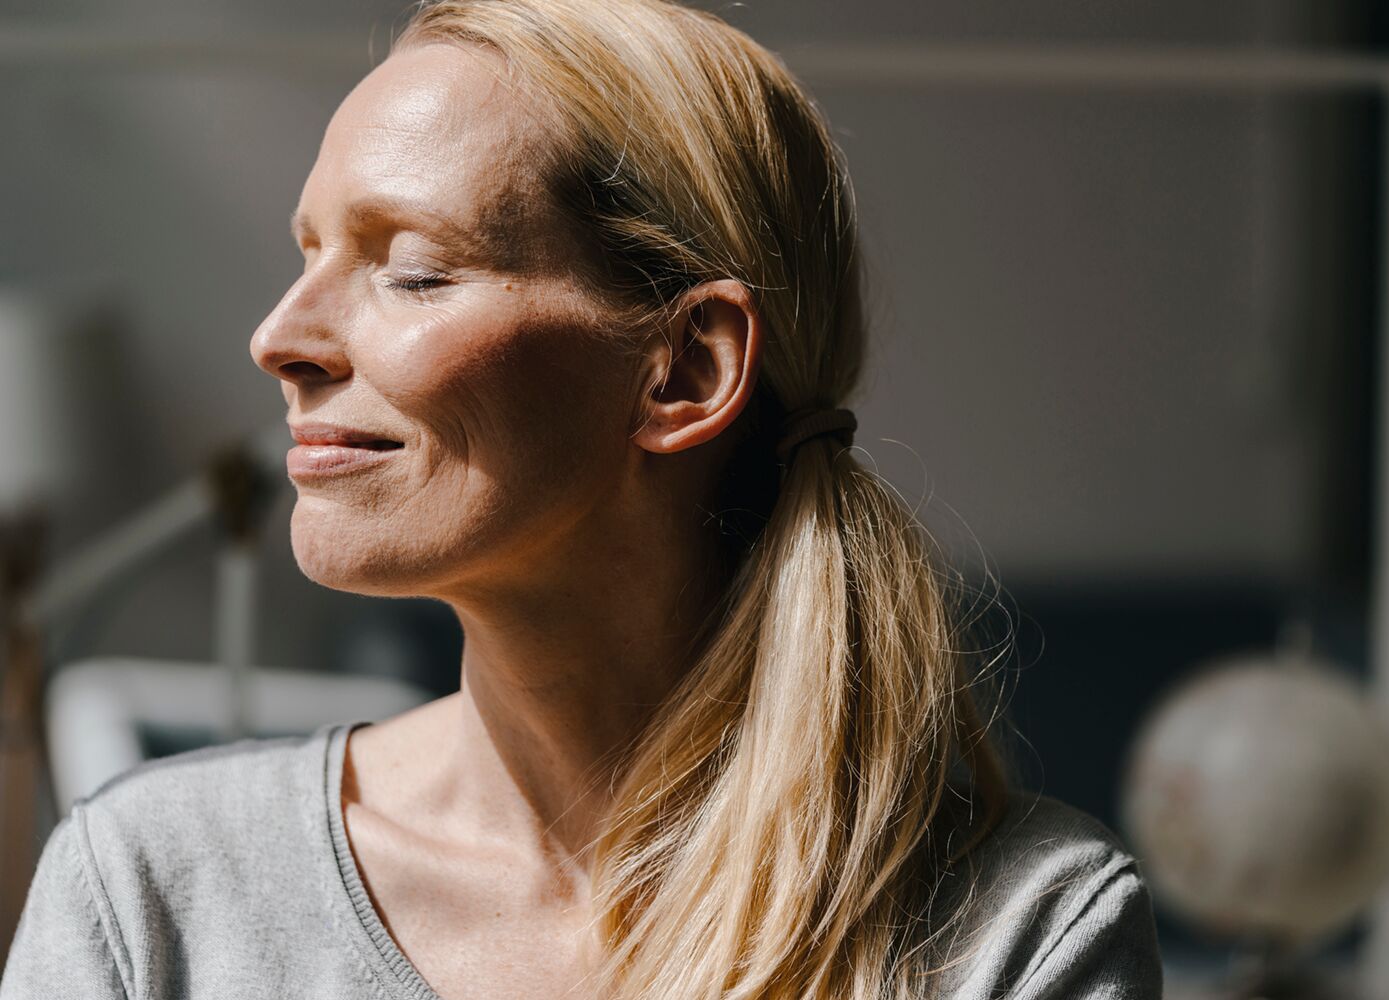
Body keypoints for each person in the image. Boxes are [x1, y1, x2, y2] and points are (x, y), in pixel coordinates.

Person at [0, 1, 1163, 997]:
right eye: (305, 257)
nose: (279, 340)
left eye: (411, 269)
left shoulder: (1019, 930)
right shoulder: (151, 888)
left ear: (687, 369)